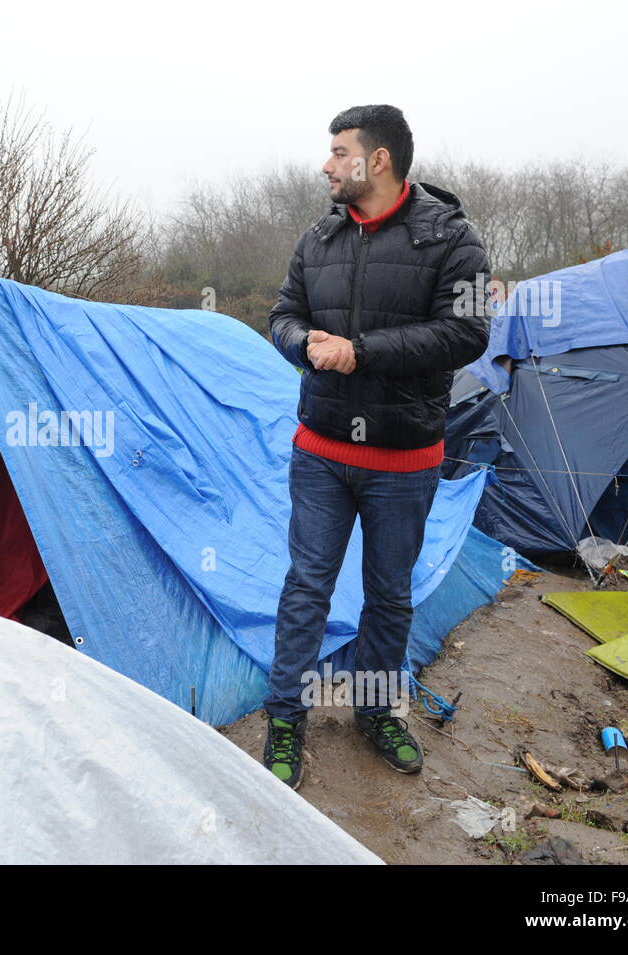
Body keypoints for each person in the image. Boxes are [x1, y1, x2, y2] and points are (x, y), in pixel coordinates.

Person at [264, 105, 491, 789]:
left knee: (389, 595)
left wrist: (359, 353)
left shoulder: (456, 239)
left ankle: (373, 711)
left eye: (339, 151)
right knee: (306, 587)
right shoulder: (318, 238)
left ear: (379, 159)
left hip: (404, 461)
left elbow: (469, 332)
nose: (327, 164)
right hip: (321, 454)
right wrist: (302, 342)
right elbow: (280, 315)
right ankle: (285, 718)